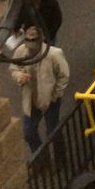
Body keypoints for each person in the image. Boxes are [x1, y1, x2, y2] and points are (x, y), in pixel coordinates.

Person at [11, 25, 69, 154]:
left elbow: (64, 75)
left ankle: (61, 158)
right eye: (28, 39)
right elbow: (13, 68)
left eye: (34, 40)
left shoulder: (54, 53)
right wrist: (19, 76)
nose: (31, 44)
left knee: (53, 131)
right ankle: (42, 158)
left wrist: (56, 94)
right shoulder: (21, 51)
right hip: (31, 98)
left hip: (50, 98)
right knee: (29, 132)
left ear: (41, 38)